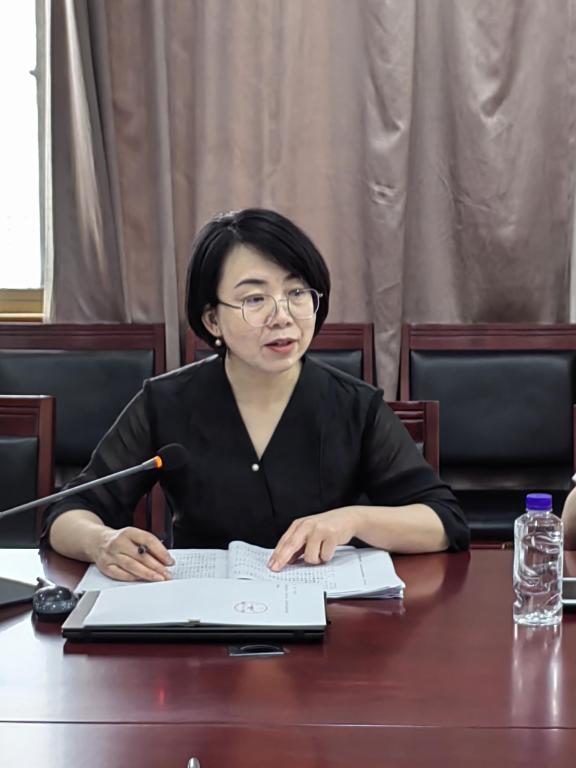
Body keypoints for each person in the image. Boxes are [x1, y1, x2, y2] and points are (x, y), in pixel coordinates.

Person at [44, 208, 469, 581]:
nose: (282, 316)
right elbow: (68, 511)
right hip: (199, 619)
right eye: (254, 299)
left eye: (296, 293)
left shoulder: (355, 407)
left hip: (324, 619)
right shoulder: (166, 402)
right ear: (212, 320)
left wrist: (354, 520)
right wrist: (101, 541)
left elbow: (443, 520)